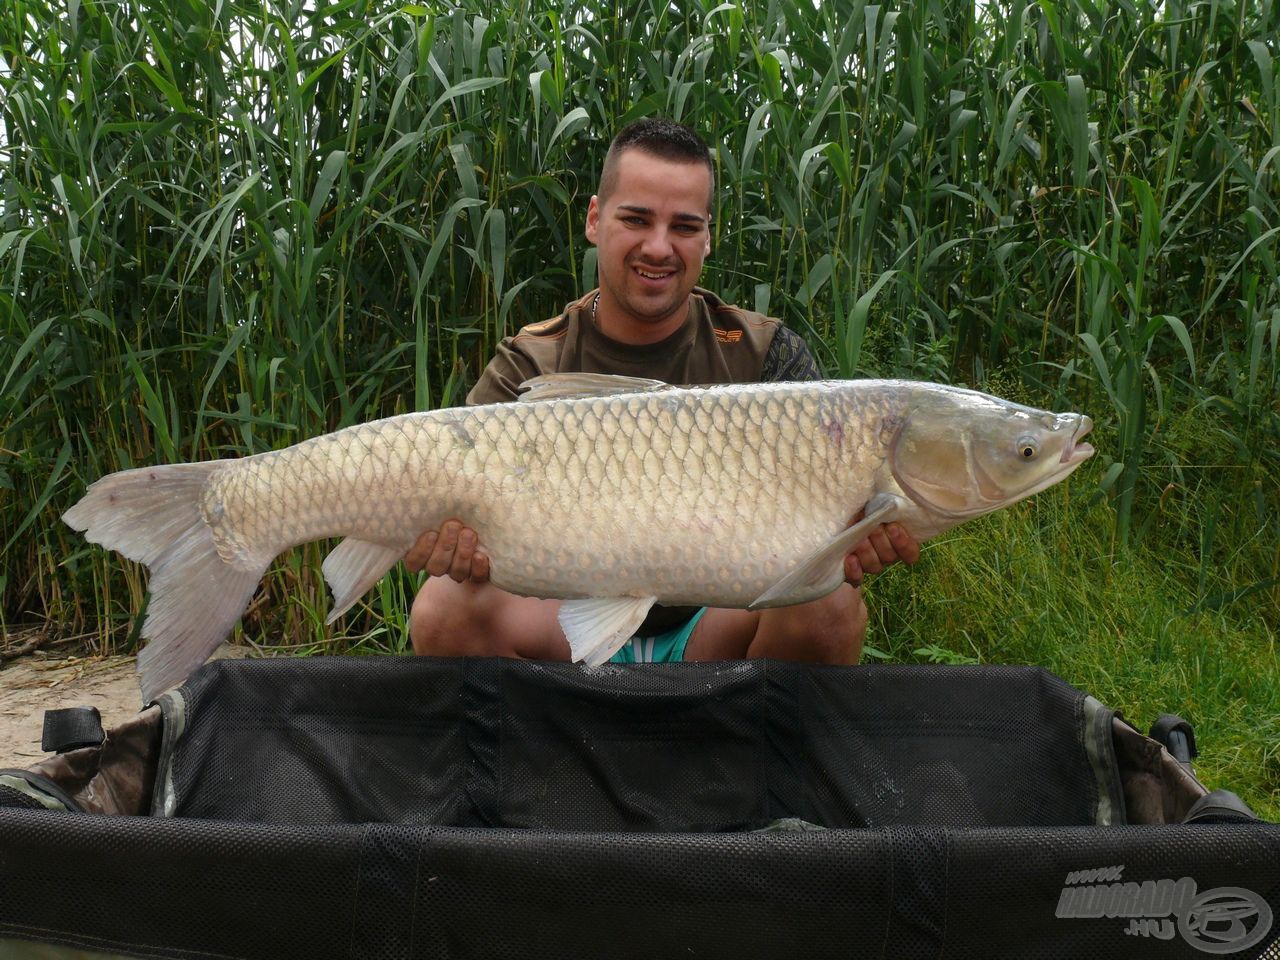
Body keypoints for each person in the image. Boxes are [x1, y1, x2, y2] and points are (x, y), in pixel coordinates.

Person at [405, 118, 919, 665]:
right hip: (557, 623)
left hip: (717, 628)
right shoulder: (532, 361)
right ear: (596, 220)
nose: (658, 247)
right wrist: (447, 539)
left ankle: (741, 746)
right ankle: (549, 744)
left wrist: (858, 537)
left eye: (684, 226)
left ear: (708, 236)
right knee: (442, 608)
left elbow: (836, 527)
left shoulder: (766, 355)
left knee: (829, 603)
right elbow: (452, 508)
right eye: (636, 219)